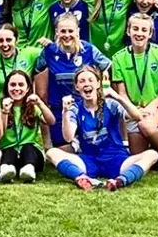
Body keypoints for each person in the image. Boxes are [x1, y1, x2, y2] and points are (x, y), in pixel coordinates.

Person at [47, 65, 158, 191]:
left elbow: (137, 116)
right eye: (82, 81)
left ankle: (120, 181)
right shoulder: (75, 108)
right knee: (52, 153)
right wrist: (65, 112)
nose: (86, 84)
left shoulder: (110, 104)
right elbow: (68, 137)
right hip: (90, 160)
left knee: (152, 154)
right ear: (77, 87)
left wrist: (116, 96)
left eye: (90, 80)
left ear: (98, 84)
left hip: (116, 159)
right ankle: (81, 178)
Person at [34, 13, 111, 148]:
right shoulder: (49, 51)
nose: (67, 35)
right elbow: (36, 70)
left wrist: (103, 88)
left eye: (71, 31)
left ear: (78, 31)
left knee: (90, 147)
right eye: (63, 31)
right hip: (59, 110)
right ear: (57, 32)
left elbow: (109, 67)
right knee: (62, 150)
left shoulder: (89, 50)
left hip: (84, 108)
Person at [110, 12, 158, 172]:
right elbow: (121, 93)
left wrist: (152, 107)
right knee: (137, 155)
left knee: (146, 126)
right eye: (135, 29)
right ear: (128, 31)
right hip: (134, 110)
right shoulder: (118, 58)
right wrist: (134, 110)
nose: (139, 33)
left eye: (144, 30)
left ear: (150, 33)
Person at [0, 70, 56, 182]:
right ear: (7, 87)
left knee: (28, 148)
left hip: (32, 155)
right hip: (9, 152)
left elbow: (51, 121)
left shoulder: (32, 107)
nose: (17, 88)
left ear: (28, 88)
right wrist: (4, 112)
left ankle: (29, 170)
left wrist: (40, 103)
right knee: (9, 150)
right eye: (13, 85)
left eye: (21, 85)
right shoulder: (1, 107)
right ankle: (5, 170)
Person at [0, 23, 42, 102]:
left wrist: (49, 44)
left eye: (9, 40)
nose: (5, 44)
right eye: (0, 40)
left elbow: (52, 52)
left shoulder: (29, 54)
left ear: (16, 40)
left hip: (25, 108)